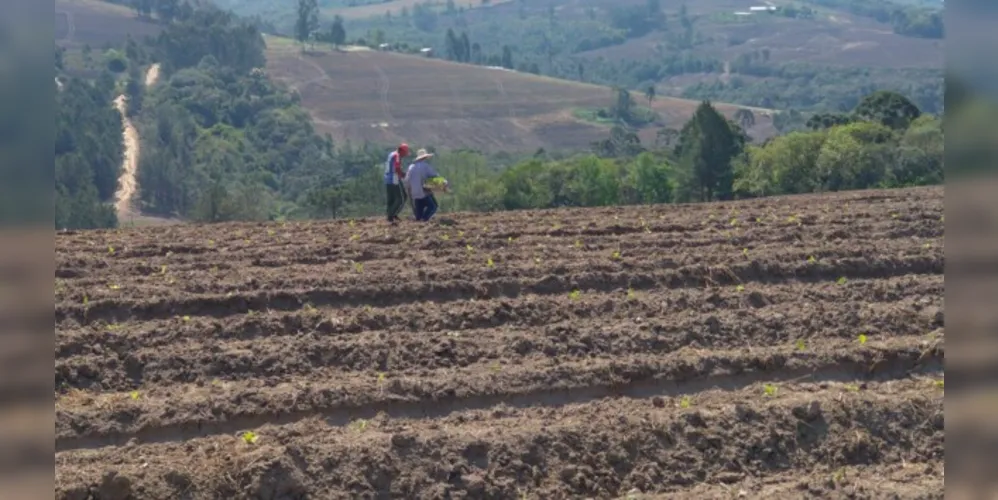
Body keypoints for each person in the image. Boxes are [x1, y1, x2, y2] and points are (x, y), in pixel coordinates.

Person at [406, 148, 448, 222]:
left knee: (419, 212)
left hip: (414, 193)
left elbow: (407, 181)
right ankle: (424, 219)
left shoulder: (411, 167)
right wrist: (444, 182)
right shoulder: (425, 166)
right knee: (433, 206)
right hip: (423, 192)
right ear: (424, 158)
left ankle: (419, 220)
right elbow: (435, 176)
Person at [384, 143, 410, 223]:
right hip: (394, 179)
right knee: (401, 198)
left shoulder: (391, 154)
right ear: (401, 151)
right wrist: (402, 174)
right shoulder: (397, 155)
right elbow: (397, 167)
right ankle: (391, 214)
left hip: (387, 178)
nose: (404, 155)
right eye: (405, 153)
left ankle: (390, 214)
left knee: (391, 198)